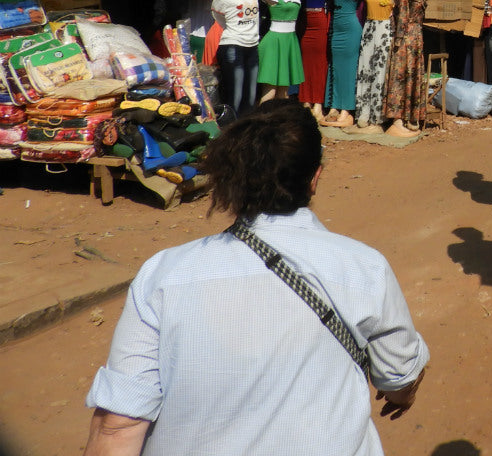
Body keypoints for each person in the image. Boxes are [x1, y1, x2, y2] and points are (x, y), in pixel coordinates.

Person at [83, 100, 428, 456]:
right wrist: (404, 393)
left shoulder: (163, 274)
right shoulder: (363, 268)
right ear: (315, 178)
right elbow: (399, 374)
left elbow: (117, 426)